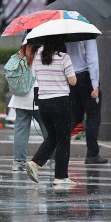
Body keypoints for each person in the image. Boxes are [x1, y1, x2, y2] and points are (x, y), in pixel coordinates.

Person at [26, 37, 77, 186]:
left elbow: (35, 76)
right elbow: (73, 81)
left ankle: (35, 163)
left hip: (44, 102)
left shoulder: (38, 58)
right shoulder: (63, 57)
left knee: (52, 136)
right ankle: (60, 177)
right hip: (60, 101)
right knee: (63, 139)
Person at [65, 39, 108, 164]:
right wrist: (95, 83)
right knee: (93, 115)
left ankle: (57, 142)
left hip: (71, 77)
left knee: (75, 115)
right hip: (86, 77)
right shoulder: (86, 33)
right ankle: (92, 154)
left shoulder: (66, 32)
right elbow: (92, 58)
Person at [9, 44, 49, 171]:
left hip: (20, 97)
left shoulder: (21, 51)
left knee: (21, 130)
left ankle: (18, 162)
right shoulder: (44, 51)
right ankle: (54, 159)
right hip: (39, 96)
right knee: (49, 130)